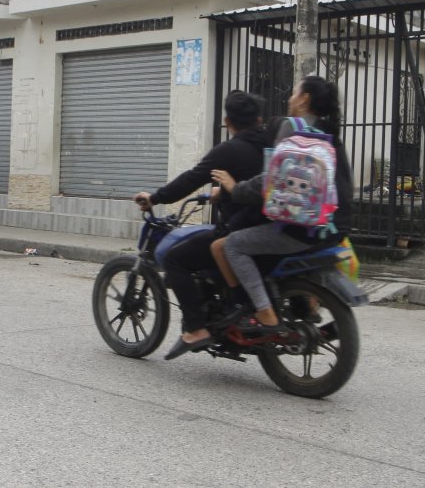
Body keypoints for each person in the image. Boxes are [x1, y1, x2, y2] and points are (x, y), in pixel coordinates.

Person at [209, 75, 353, 333]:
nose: (289, 97)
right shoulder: (330, 132)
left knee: (233, 245)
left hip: (303, 227)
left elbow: (273, 179)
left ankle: (264, 312)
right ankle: (303, 303)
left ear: (304, 99)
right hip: (335, 228)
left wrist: (234, 188)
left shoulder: (291, 128)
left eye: (294, 92)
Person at [133, 90, 268, 360]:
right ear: (259, 119)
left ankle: (195, 329)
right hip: (269, 227)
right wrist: (223, 193)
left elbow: (191, 179)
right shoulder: (271, 145)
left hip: (238, 230)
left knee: (176, 259)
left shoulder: (229, 150)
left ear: (227, 121)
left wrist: (155, 198)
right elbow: (257, 181)